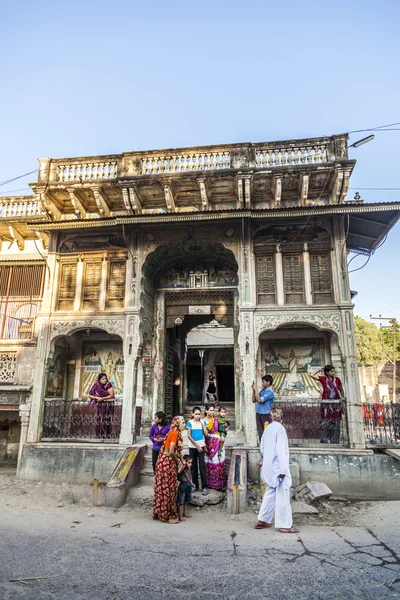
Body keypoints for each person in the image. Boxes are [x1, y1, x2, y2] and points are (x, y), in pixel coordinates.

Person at [254, 407, 299, 534]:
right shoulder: (280, 429)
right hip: (278, 468)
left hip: (269, 466)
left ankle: (262, 520)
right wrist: (283, 469)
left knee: (270, 492)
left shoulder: (268, 429)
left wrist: (266, 458)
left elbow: (262, 446)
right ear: (281, 417)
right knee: (283, 494)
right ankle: (285, 524)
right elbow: (281, 450)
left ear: (271, 416)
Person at [153, 415, 186, 524]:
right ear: (177, 424)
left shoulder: (175, 433)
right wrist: (178, 462)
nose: (184, 424)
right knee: (167, 489)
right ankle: (166, 514)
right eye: (183, 422)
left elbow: (178, 451)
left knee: (168, 488)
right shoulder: (175, 433)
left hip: (167, 463)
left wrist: (181, 461)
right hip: (167, 463)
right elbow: (171, 451)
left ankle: (161, 511)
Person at [310, 365, 344, 444]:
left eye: (333, 371)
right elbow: (311, 375)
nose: (333, 372)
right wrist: (320, 369)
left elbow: (341, 389)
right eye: (331, 371)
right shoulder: (323, 379)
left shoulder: (337, 380)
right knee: (325, 421)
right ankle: (324, 439)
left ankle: (334, 440)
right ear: (327, 372)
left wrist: (342, 397)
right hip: (326, 404)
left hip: (336, 404)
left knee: (336, 421)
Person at [186, 407, 209, 495]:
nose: (197, 416)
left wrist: (203, 425)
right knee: (193, 466)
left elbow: (206, 434)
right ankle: (195, 486)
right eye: (196, 414)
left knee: (202, 467)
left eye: (199, 414)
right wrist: (196, 445)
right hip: (192, 447)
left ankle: (205, 487)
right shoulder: (190, 422)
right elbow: (188, 435)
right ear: (192, 414)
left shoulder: (203, 422)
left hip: (201, 446)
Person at [203, 404, 226, 490]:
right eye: (210, 410)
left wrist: (223, 435)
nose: (212, 412)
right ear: (206, 411)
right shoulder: (203, 421)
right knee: (209, 461)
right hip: (207, 443)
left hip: (217, 442)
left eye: (213, 410)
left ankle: (218, 484)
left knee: (217, 461)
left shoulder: (216, 419)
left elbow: (221, 429)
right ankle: (209, 483)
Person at [88, 373, 115, 437]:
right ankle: (99, 435)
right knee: (100, 419)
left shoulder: (108, 385)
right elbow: (90, 395)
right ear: (99, 380)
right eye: (103, 379)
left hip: (108, 405)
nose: (105, 380)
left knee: (106, 419)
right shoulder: (96, 385)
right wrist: (96, 398)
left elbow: (111, 395)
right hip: (100, 405)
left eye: (105, 378)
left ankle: (106, 435)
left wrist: (102, 398)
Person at [252, 375, 275, 441]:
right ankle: (262, 447)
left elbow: (259, 400)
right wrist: (253, 391)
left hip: (266, 414)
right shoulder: (262, 391)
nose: (262, 383)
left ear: (268, 382)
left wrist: (256, 389)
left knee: (267, 431)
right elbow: (254, 400)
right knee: (260, 432)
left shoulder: (270, 392)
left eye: (263, 381)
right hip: (259, 413)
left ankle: (268, 447)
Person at [177, 455, 193, 521]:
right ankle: (180, 516)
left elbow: (189, 477)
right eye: (189, 463)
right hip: (183, 485)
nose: (190, 464)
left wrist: (191, 483)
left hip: (188, 484)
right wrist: (182, 465)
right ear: (185, 462)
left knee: (186, 500)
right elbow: (178, 472)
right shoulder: (183, 468)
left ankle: (185, 513)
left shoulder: (189, 469)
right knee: (181, 501)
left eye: (191, 463)